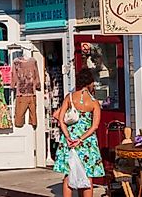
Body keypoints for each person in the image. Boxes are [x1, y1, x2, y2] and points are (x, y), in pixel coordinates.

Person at [53, 69, 104, 197]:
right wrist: (81, 139)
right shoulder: (94, 102)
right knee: (88, 174)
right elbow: (95, 126)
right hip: (87, 141)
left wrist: (68, 136)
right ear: (90, 83)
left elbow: (60, 118)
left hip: (69, 140)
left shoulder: (69, 97)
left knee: (68, 174)